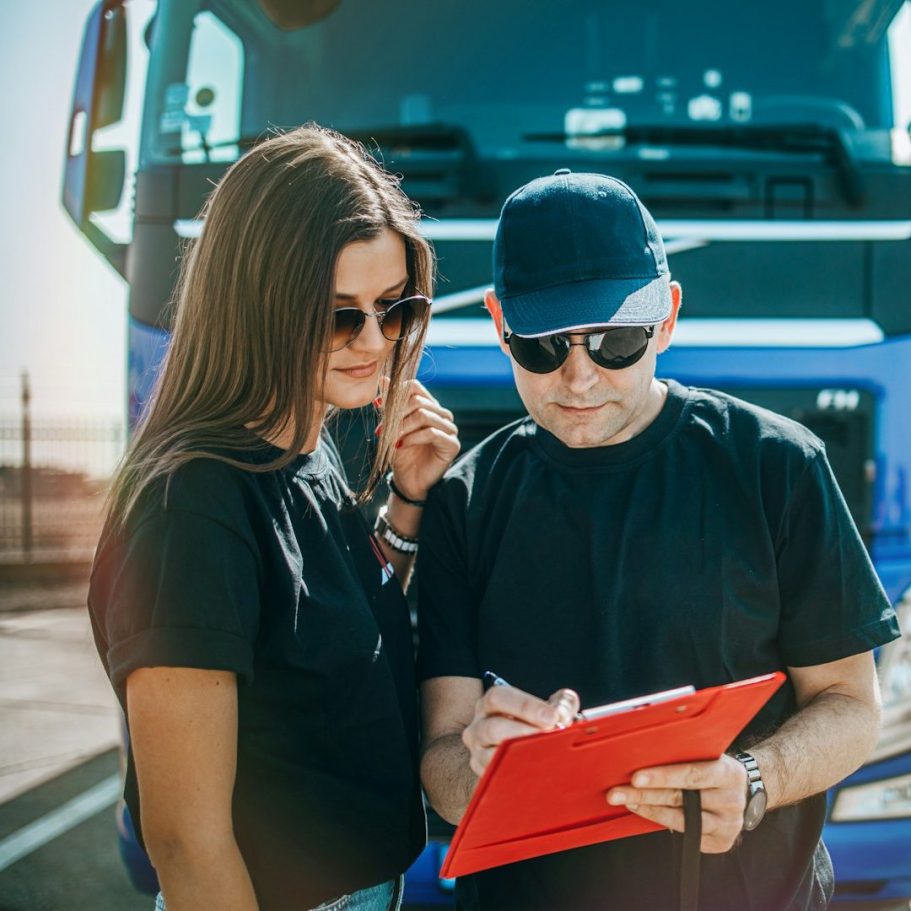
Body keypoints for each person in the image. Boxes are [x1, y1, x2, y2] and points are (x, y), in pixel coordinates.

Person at [417, 170, 900, 911]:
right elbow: (442, 763)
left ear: (666, 317)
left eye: (615, 340)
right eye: (541, 347)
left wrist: (752, 778)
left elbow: (848, 702)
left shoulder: (777, 465)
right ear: (496, 323)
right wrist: (476, 763)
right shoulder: (465, 498)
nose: (577, 377)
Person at [87, 124, 460, 911]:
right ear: (256, 305)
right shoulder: (190, 504)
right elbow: (187, 843)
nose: (374, 342)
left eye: (393, 309)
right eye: (337, 316)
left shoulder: (304, 451)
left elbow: (319, 633)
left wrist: (408, 500)